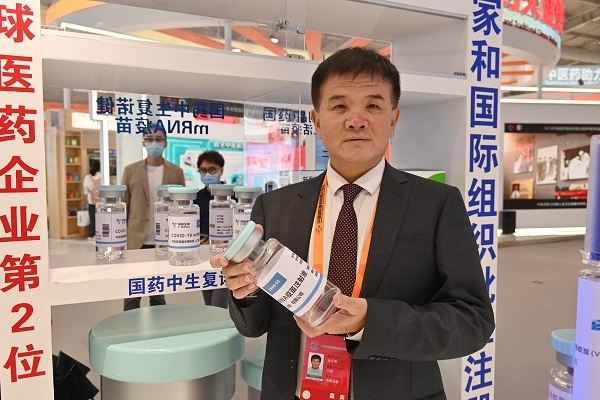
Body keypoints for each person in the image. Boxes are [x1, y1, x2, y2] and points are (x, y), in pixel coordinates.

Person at [210, 47, 494, 400]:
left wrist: (369, 321)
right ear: (316, 120)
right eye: (340, 106)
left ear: (393, 119)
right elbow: (255, 325)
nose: (356, 120)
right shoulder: (276, 207)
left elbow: (473, 321)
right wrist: (247, 291)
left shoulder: (436, 204)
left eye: (373, 106)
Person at [121, 130, 185, 311]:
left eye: (158, 139)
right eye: (150, 139)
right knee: (133, 289)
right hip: (136, 238)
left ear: (165, 143)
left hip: (164, 240)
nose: (154, 142)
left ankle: (159, 321)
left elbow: (182, 204)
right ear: (143, 142)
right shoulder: (130, 170)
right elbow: (124, 204)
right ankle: (129, 322)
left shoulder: (176, 172)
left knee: (158, 288)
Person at [194, 150, 229, 309]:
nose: (207, 174)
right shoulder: (196, 198)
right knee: (208, 304)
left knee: (218, 304)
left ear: (221, 170)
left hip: (225, 257)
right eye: (203, 170)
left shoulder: (232, 197)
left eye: (212, 170)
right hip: (203, 256)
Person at [83, 159, 101, 241]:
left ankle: (93, 234)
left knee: (93, 219)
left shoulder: (88, 177)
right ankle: (100, 234)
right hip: (101, 202)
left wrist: (84, 201)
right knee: (101, 219)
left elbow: (85, 191)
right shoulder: (102, 176)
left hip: (91, 202)